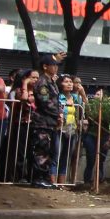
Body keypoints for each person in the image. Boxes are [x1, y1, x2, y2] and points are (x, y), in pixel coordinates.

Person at [29, 56, 61, 188]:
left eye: (56, 65)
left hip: (50, 122)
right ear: (45, 66)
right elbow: (45, 101)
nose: (56, 67)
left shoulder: (51, 81)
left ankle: (45, 177)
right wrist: (57, 113)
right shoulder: (42, 81)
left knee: (48, 150)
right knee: (42, 150)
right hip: (42, 121)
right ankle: (38, 178)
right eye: (53, 65)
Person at [56, 74, 83, 185]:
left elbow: (84, 108)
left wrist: (83, 93)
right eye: (66, 81)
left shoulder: (76, 98)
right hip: (60, 128)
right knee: (56, 154)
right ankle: (53, 180)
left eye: (71, 82)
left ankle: (61, 183)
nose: (69, 83)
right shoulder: (58, 96)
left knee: (66, 156)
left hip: (72, 129)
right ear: (61, 84)